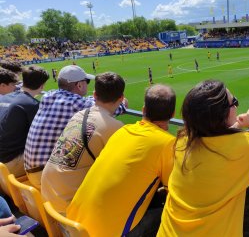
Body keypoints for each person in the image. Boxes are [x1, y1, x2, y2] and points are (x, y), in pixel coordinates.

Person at [157, 80, 249, 236]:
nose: (236, 106)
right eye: (234, 102)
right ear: (221, 114)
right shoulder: (245, 146)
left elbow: (213, 139)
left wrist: (236, 124)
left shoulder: (182, 141)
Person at [67, 84, 176, 237]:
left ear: (144, 110)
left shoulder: (122, 131)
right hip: (106, 233)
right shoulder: (168, 144)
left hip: (72, 224)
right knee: (169, 213)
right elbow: (174, 191)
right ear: (173, 114)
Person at [24, 65, 127, 189]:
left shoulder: (48, 96)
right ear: (79, 85)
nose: (87, 85)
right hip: (45, 176)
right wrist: (123, 102)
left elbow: (89, 101)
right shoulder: (76, 103)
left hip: (32, 169)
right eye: (86, 81)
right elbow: (110, 106)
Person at [41, 72, 125, 213]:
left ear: (94, 95)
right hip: (69, 205)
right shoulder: (115, 127)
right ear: (121, 98)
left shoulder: (78, 115)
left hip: (48, 194)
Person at [0, 66, 49, 177]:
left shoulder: (4, 97)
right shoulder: (32, 105)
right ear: (42, 86)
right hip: (10, 162)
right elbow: (42, 137)